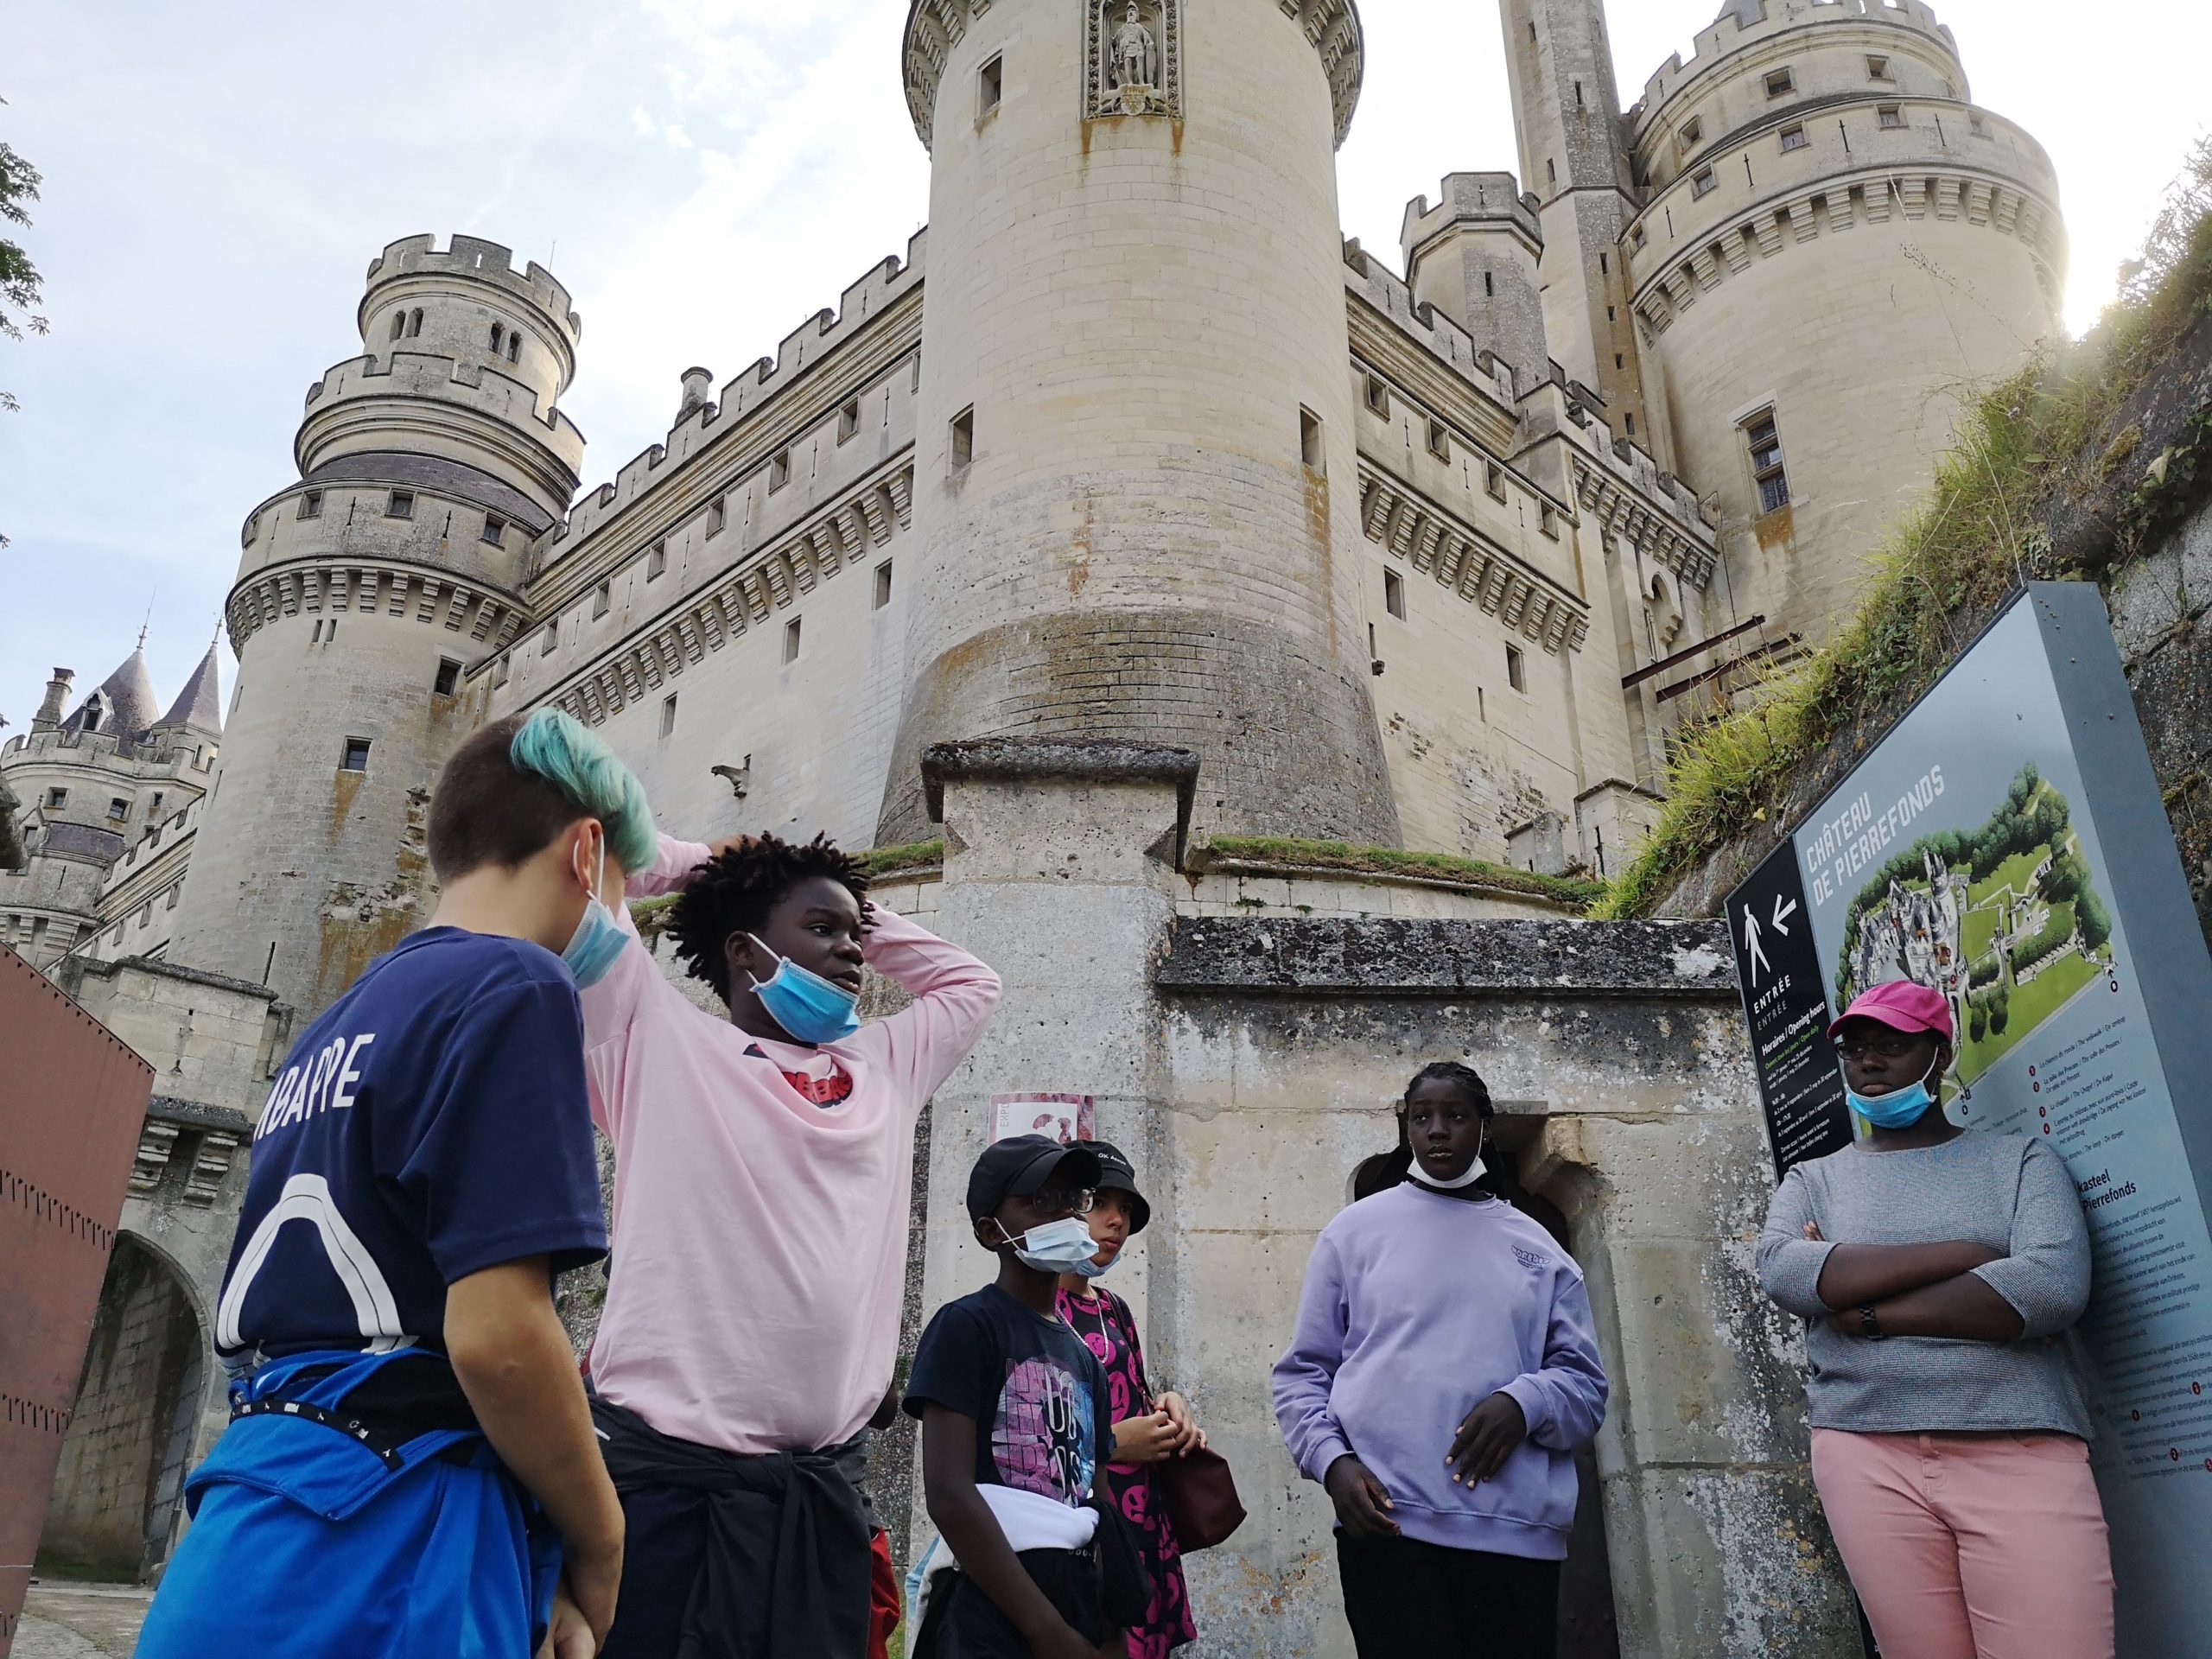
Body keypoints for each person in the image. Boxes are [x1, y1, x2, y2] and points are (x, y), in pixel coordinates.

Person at [136, 709, 643, 1658]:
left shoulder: (328, 1030)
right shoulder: (517, 985)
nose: (618, 926)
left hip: (254, 1506)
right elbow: (497, 1337)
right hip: (399, 1521)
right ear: (585, 851)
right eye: (621, 894)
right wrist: (601, 1543)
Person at [581, 826, 1001, 1657]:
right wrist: (724, 867)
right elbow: (592, 866)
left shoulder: (886, 1064)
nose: (852, 950)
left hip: (823, 1493)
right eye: (822, 930)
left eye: (858, 933)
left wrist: (835, 897)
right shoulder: (652, 1041)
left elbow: (969, 982)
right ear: (744, 950)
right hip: (666, 1498)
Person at [1757, 980, 2111, 1659]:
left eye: (1892, 1045)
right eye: (1856, 1050)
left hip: (2019, 1442)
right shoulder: (1812, 1178)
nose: (1869, 1062)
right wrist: (1970, 1255)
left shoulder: (2020, 1162)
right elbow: (1786, 1272)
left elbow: (2050, 1288)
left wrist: (1865, 1311)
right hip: (1865, 1452)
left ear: (1938, 1055)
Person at [1272, 1061, 1609, 1659]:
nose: (1437, 1131)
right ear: (1405, 1128)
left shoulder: (1540, 1250)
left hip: (1516, 1541)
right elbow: (1302, 1377)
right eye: (1422, 1117)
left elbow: (1586, 1390)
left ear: (1484, 1125)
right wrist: (1332, 1465)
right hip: (1388, 1527)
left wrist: (1524, 1403)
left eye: (1455, 1116)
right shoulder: (1352, 1234)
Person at [906, 1135, 1125, 1659]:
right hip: (993, 1611)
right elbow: (951, 1496)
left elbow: (1099, 1500)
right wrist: (1045, 1632)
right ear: (991, 1231)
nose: (1068, 1215)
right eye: (1044, 1201)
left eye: (1076, 1200)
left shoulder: (1085, 1359)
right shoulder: (966, 1327)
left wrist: (1112, 1627)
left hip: (1077, 1603)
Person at [1053, 1141, 1202, 1659]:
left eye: (1126, 1209)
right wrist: (1115, 1444)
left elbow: (1125, 1391)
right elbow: (1018, 1444)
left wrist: (1166, 1411)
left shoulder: (1112, 1307)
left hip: (1136, 1521)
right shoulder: (1031, 1308)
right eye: (1100, 1204)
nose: (1116, 1222)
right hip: (1074, 1525)